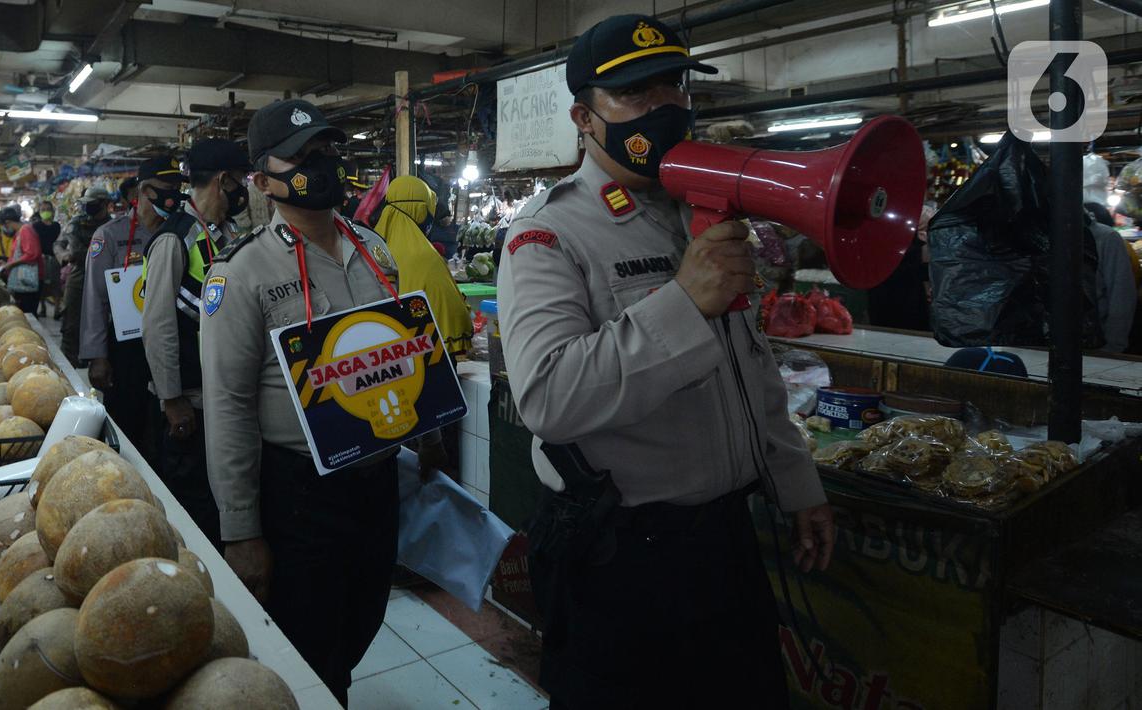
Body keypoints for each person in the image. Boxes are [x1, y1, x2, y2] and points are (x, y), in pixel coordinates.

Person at [496, 15, 833, 709]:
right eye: (636, 93)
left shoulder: (697, 216)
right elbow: (548, 398)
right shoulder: (547, 232)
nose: (665, 107)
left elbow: (750, 365)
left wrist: (794, 480)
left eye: (673, 87)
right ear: (583, 117)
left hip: (725, 542)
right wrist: (684, 301)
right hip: (622, 560)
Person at [201, 99, 444, 705]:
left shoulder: (371, 248)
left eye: (328, 150)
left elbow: (402, 344)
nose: (324, 164)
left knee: (362, 615)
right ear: (261, 179)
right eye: (303, 156)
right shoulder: (241, 274)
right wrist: (241, 530)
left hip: (376, 478)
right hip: (298, 494)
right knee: (308, 642)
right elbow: (228, 404)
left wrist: (430, 424)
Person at [141, 140, 247, 545]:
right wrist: (171, 398)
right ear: (224, 180)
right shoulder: (175, 239)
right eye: (243, 180)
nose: (245, 189)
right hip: (189, 400)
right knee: (194, 502)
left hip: (222, 394)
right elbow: (159, 325)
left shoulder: (229, 233)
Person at [81, 156, 180, 459]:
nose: (173, 196)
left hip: (168, 341)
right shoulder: (109, 236)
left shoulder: (180, 232)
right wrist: (97, 355)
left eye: (177, 189)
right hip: (126, 347)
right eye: (166, 189)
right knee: (127, 423)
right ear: (142, 192)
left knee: (164, 424)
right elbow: (94, 298)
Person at [373, 175, 473, 355]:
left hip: (384, 357)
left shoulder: (371, 246)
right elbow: (454, 317)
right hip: (431, 356)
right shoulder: (425, 256)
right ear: (418, 210)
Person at [56, 187, 112, 366]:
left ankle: (98, 360)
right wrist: (63, 255)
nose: (88, 208)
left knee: (101, 321)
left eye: (93, 205)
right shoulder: (77, 223)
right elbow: (59, 244)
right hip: (79, 275)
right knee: (71, 321)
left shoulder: (111, 227)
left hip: (104, 277)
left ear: (104, 204)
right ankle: (69, 362)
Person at [1087, 219, 1137, 352]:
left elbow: (1122, 295)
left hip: (1098, 343)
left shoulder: (1106, 238)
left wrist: (1114, 345)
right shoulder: (1040, 237)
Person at [0, 206, 45, 314]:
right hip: (24, 280)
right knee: (22, 312)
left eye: (3, 225)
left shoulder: (26, 230)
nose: (3, 229)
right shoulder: (19, 232)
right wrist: (7, 263)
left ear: (8, 222)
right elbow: (19, 254)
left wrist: (11, 264)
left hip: (30, 279)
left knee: (28, 313)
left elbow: (32, 253)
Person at [31, 200, 62, 319]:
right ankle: (42, 308)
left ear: (53, 212)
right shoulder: (36, 226)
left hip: (55, 259)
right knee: (41, 285)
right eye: (43, 210)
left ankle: (57, 309)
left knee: (56, 284)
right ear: (39, 212)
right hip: (40, 259)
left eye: (48, 209)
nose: (45, 212)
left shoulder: (56, 226)